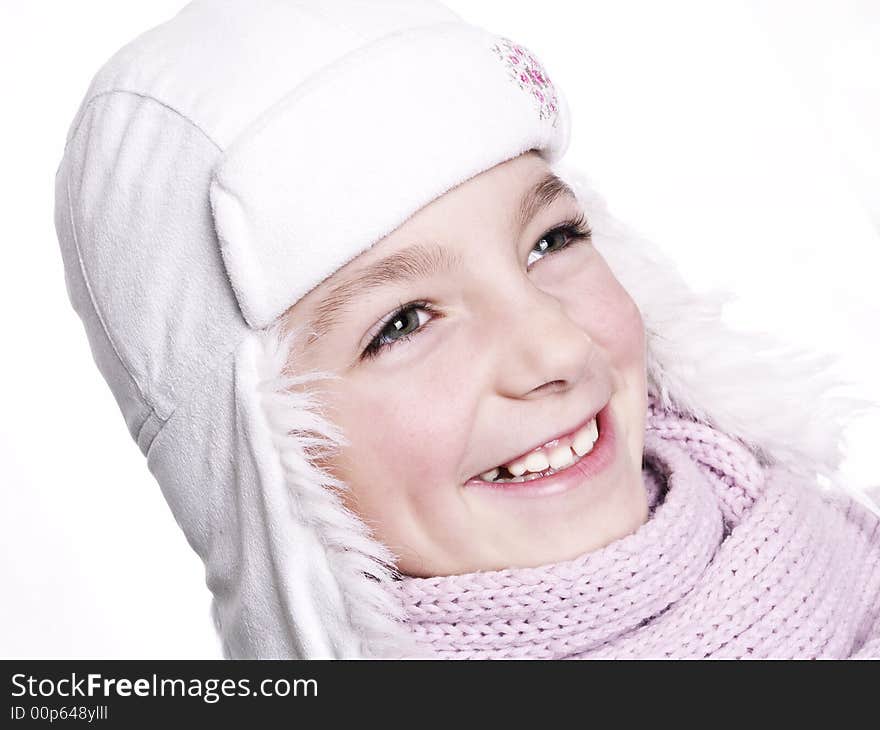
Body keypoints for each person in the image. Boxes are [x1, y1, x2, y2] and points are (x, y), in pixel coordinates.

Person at [54, 0, 880, 659]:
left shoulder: (848, 556)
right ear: (260, 471)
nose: (557, 348)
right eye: (404, 323)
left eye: (551, 240)